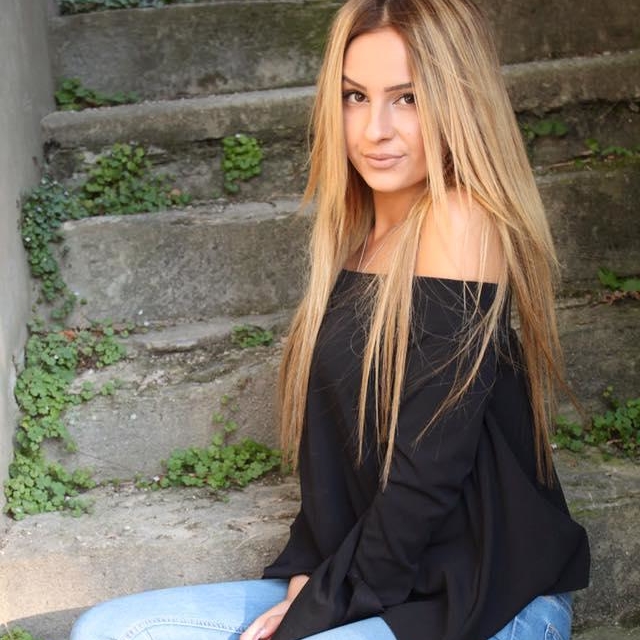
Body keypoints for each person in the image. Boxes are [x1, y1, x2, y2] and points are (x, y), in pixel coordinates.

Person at [70, 0, 590, 639]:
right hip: (375, 582)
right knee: (108, 629)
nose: (375, 130)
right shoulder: (355, 244)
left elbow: (428, 472)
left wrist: (318, 608)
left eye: (407, 98)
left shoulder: (461, 223)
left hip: (485, 600)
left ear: (459, 103)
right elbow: (334, 470)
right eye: (355, 96)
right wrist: (305, 578)